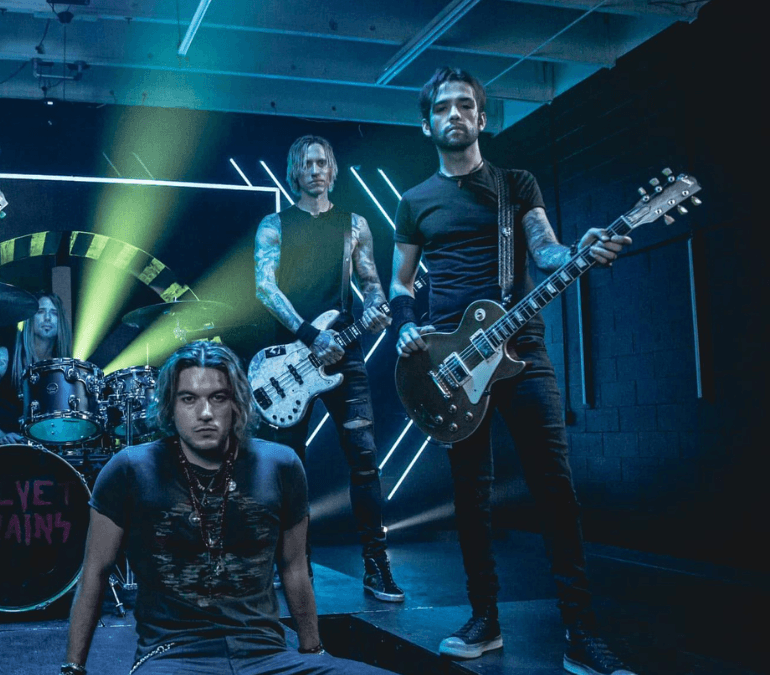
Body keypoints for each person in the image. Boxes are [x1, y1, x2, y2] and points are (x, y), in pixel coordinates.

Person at [390, 66, 635, 675]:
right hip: (451, 367)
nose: (454, 114)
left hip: (522, 354)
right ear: (426, 124)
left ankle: (580, 632)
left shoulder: (515, 185)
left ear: (482, 118)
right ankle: (485, 620)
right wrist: (405, 325)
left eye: (464, 105)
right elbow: (400, 283)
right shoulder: (415, 201)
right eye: (442, 107)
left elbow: (547, 251)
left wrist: (579, 250)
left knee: (556, 490)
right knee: (470, 499)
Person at [61, 341, 396, 675]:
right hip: (173, 657)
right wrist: (73, 669)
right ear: (169, 406)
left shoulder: (280, 464)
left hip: (266, 656)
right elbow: (95, 573)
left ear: (236, 403)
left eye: (218, 397)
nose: (205, 413)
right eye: (188, 399)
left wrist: (314, 652)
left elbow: (294, 568)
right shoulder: (130, 469)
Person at [252, 135, 401, 601]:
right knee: (288, 468)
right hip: (290, 357)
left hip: (345, 354)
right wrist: (309, 334)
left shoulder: (354, 224)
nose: (316, 170)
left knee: (365, 461)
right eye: (307, 164)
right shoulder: (274, 225)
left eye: (322, 163)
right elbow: (265, 288)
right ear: (295, 171)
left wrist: (376, 307)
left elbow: (371, 283)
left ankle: (376, 564)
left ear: (332, 170)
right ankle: (296, 566)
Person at [0, 292, 72, 443]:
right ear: (30, 317)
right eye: (41, 312)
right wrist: (0, 436)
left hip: (43, 447)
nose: (47, 318)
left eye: (54, 313)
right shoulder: (3, 356)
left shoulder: (63, 368)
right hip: (4, 447)